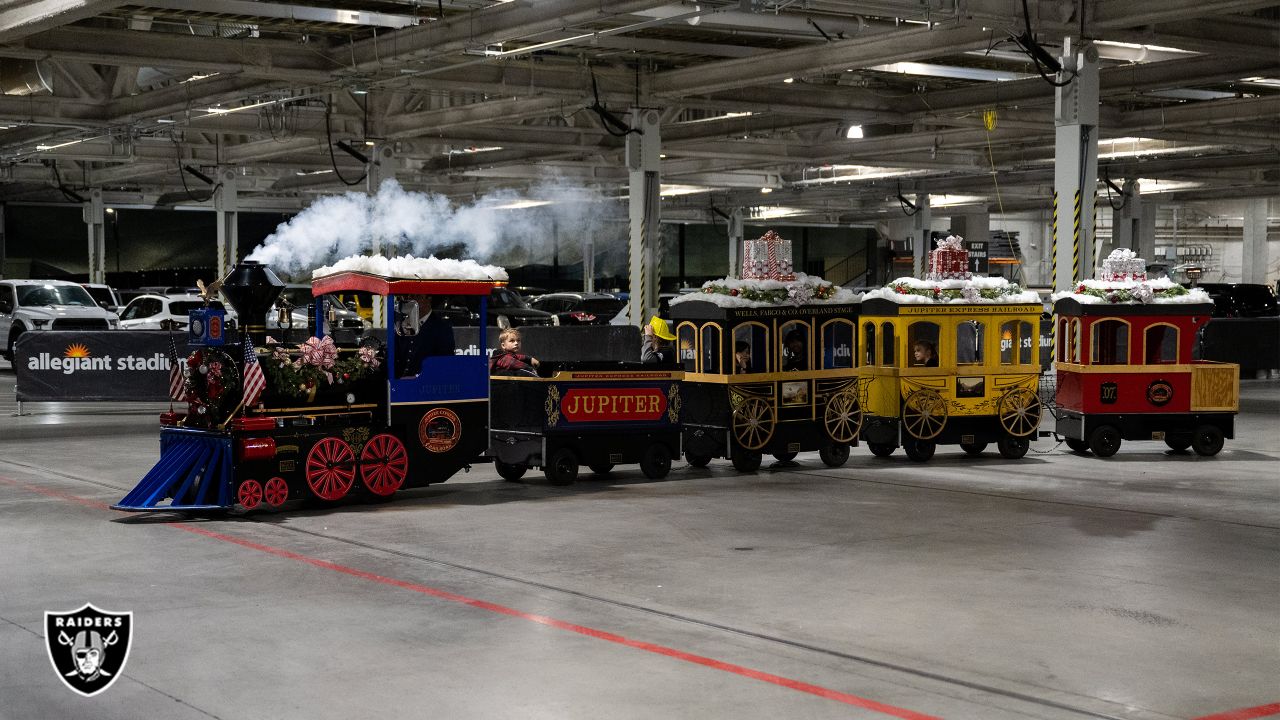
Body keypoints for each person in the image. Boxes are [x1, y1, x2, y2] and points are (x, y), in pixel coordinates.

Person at [397, 295, 456, 378]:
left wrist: (418, 377)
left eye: (417, 297)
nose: (411, 301)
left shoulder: (441, 327)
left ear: (429, 299)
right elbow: (395, 357)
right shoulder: (401, 325)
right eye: (409, 298)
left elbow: (445, 363)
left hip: (426, 385)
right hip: (398, 384)